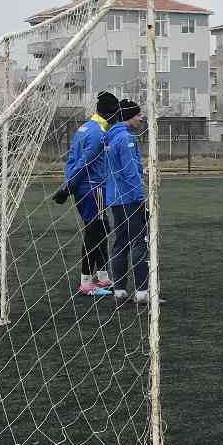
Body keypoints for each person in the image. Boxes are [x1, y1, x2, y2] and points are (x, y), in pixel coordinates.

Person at [55, 92, 116, 295]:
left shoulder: (84, 129)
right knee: (94, 232)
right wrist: (68, 187)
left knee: (100, 229)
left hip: (83, 188)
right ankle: (86, 282)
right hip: (93, 188)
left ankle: (103, 277)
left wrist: (68, 185)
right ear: (110, 113)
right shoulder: (98, 133)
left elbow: (72, 159)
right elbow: (84, 163)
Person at [104, 99, 151, 305]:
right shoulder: (126, 139)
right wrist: (141, 198)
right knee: (139, 242)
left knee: (120, 243)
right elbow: (130, 172)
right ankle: (142, 291)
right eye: (138, 114)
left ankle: (120, 290)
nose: (142, 117)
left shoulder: (110, 137)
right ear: (129, 116)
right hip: (129, 198)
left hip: (114, 198)